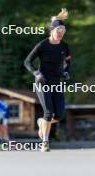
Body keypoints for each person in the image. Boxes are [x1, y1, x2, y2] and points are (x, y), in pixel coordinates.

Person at [24, 8, 71, 152]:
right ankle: (45, 142)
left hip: (56, 83)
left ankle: (41, 122)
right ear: (52, 30)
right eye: (59, 29)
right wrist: (36, 73)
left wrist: (66, 72)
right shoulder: (42, 45)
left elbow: (68, 63)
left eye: (63, 30)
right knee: (49, 113)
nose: (61, 32)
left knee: (60, 114)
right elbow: (27, 62)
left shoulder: (64, 46)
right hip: (43, 82)